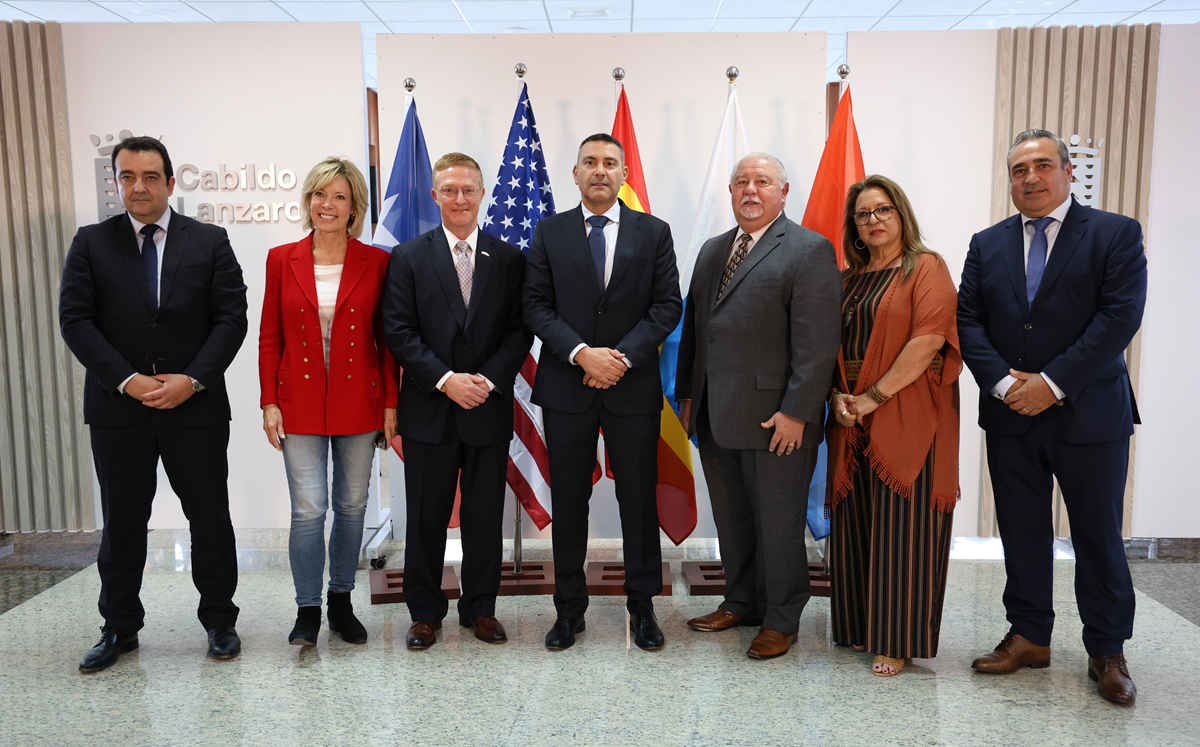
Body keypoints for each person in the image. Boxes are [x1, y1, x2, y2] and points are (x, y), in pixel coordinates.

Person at [958, 129, 1146, 704]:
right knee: (1021, 531)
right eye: (1019, 170)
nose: (1030, 178)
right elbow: (969, 322)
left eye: (1042, 166)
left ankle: (1107, 650)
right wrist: (1005, 383)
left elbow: (1118, 318)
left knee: (1096, 536)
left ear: (1068, 171)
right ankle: (1030, 634)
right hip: (1012, 414)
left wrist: (1053, 384)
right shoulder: (987, 244)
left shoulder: (1114, 234)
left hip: (1090, 414)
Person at [59, 136, 248, 671]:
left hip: (197, 409)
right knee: (122, 522)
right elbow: (76, 320)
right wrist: (127, 380)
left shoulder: (209, 241)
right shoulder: (92, 242)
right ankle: (119, 627)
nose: (137, 187)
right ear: (117, 182)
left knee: (210, 517)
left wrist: (193, 379)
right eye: (126, 177)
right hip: (119, 412)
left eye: (148, 177)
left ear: (169, 181)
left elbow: (232, 319)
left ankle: (219, 621)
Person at [675, 152, 841, 660]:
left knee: (779, 523)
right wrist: (686, 395)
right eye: (742, 181)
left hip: (777, 419)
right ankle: (741, 601)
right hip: (713, 414)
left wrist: (797, 411)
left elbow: (817, 345)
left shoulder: (809, 249)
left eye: (762, 181)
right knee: (734, 520)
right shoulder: (711, 250)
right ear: (730, 191)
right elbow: (695, 331)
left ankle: (782, 617)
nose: (751, 190)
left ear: (783, 192)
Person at [524, 133, 682, 651]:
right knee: (570, 500)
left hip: (630, 386)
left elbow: (666, 307)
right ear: (575, 173)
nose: (599, 170)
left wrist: (618, 359)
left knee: (638, 500)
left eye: (609, 163)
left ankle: (643, 608)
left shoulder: (654, 232)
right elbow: (536, 306)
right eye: (589, 162)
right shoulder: (548, 232)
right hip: (566, 386)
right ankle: (569, 611)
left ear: (623, 175)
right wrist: (581, 354)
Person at [383, 152, 532, 650]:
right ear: (434, 196)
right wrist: (446, 380)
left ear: (483, 194)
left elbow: (519, 331)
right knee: (426, 517)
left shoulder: (508, 258)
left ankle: (481, 609)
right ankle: (425, 613)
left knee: (485, 516)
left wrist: (486, 381)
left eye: (468, 189)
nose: (460, 198)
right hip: (430, 409)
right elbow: (398, 331)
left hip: (487, 407)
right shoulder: (407, 257)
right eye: (449, 190)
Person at [824, 175, 962, 676]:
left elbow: (929, 340)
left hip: (910, 413)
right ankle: (861, 626)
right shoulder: (845, 279)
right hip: (850, 416)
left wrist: (873, 397)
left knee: (905, 529)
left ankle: (896, 639)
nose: (874, 220)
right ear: (854, 227)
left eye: (883, 210)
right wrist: (842, 398)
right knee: (858, 521)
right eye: (863, 214)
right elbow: (826, 347)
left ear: (901, 214)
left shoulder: (925, 268)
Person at [259, 157, 397, 646]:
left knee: (353, 504)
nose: (328, 205)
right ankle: (307, 610)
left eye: (339, 196)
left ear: (355, 206)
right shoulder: (281, 258)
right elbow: (269, 338)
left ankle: (341, 600)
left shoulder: (377, 262)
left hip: (360, 401)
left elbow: (388, 342)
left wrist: (390, 407)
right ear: (308, 202)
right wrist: (268, 402)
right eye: (320, 195)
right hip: (297, 403)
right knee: (308, 510)